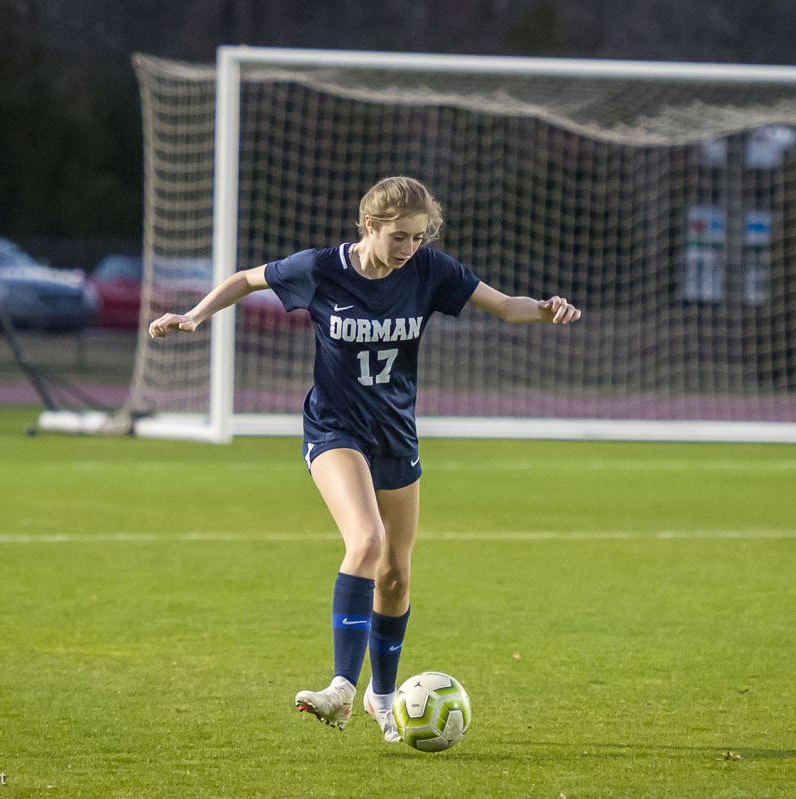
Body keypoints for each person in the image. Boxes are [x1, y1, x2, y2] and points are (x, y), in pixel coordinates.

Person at [149, 176, 581, 742]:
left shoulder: (430, 271)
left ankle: (383, 700)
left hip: (396, 435)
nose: (409, 249)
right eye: (400, 236)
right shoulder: (321, 269)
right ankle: (341, 690)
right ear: (370, 225)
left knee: (396, 576)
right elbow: (244, 280)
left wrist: (545, 310)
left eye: (419, 238)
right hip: (334, 429)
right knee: (367, 544)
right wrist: (196, 315)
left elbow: (502, 306)